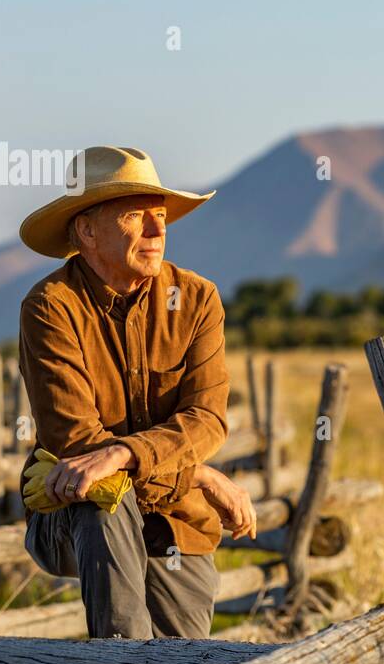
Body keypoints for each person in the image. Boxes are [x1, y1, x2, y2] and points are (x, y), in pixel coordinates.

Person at [16, 145, 257, 639]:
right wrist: (201, 478)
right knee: (100, 491)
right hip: (73, 514)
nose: (157, 229)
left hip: (176, 522)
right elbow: (78, 444)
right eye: (135, 215)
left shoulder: (196, 299)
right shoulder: (51, 307)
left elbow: (207, 420)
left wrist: (127, 453)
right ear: (86, 230)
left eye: (160, 215)